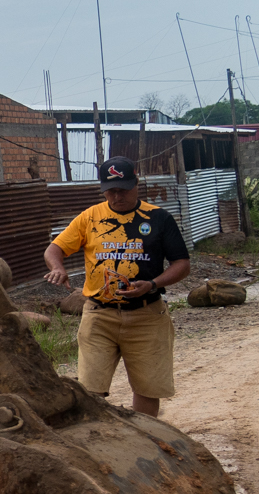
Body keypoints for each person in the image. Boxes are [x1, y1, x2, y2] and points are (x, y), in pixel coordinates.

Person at [43, 156, 191, 416]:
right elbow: (54, 248)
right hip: (99, 316)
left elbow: (182, 263)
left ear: (136, 185)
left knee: (147, 388)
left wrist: (153, 284)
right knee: (90, 390)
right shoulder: (90, 217)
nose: (117, 196)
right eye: (110, 191)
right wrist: (57, 267)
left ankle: (145, 441)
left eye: (123, 189)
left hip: (147, 315)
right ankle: (100, 444)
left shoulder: (158, 218)